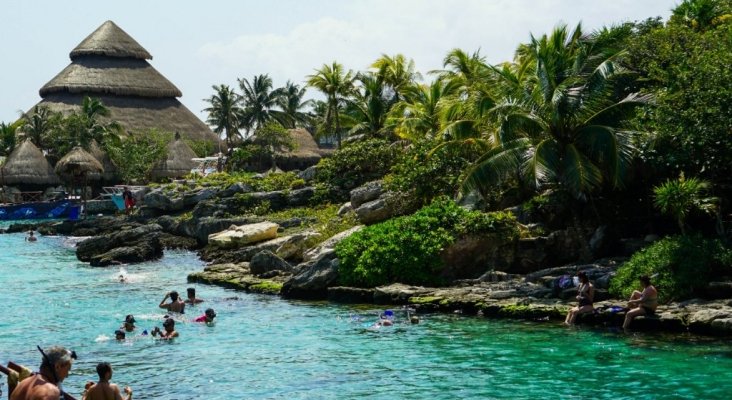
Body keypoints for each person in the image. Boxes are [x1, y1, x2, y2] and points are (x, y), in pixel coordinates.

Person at [10, 346, 75, 400]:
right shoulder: (50, 392)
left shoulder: (21, 385)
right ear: (57, 366)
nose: (67, 375)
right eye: (68, 369)